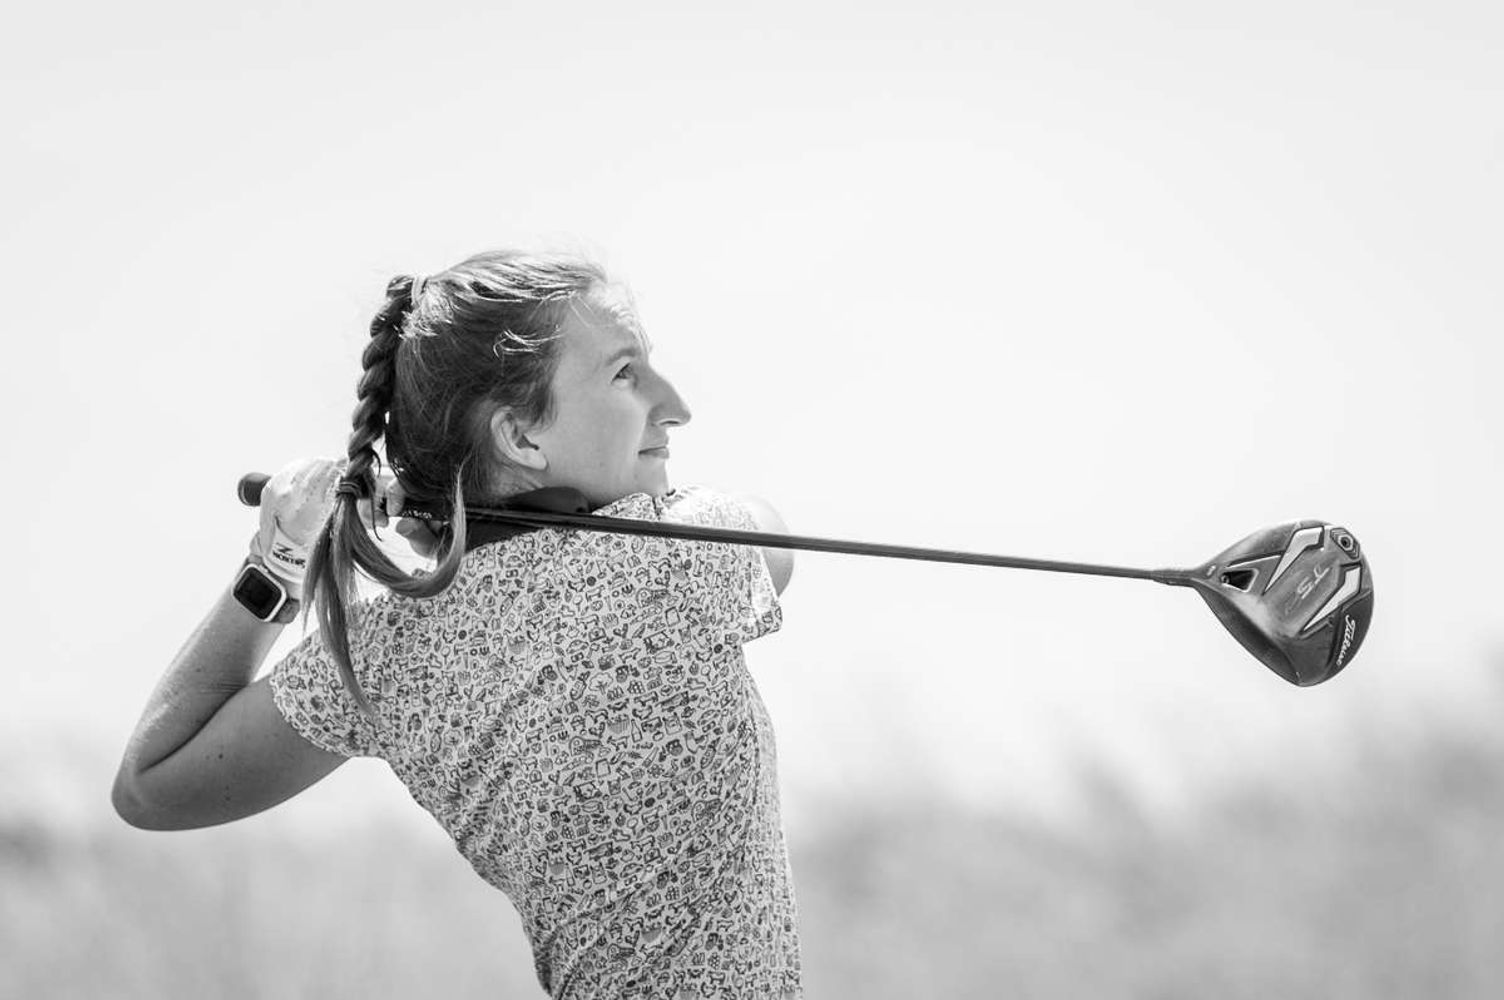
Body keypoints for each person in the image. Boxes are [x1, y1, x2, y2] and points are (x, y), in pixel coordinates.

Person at [112, 250, 802, 999]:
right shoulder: (674, 561)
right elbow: (772, 536)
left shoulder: (384, 651)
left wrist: (278, 557)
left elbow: (151, 787)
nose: (674, 405)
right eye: (625, 374)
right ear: (521, 438)